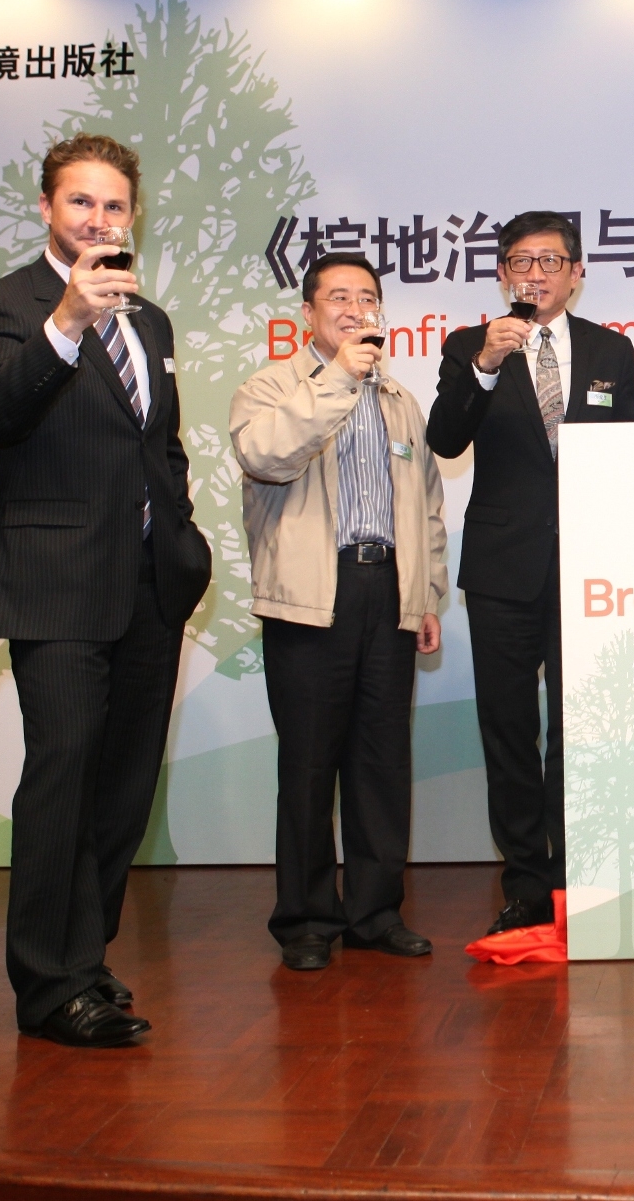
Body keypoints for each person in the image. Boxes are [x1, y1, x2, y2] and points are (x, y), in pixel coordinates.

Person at [0, 134, 211, 1047]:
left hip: (149, 584)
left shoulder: (152, 321)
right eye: (81, 202)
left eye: (114, 205)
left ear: (133, 215)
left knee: (122, 788)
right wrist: (65, 320)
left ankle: (85, 960)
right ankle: (46, 984)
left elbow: (161, 446)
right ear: (46, 208)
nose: (99, 219)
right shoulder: (1, 306)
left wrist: (183, 540)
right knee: (62, 776)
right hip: (57, 584)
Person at [425, 211, 634, 937]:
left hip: (588, 568)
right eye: (521, 261)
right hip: (502, 569)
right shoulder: (470, 344)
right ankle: (523, 884)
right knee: (510, 730)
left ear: (576, 274)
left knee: (579, 730)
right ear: (501, 275)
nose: (536, 273)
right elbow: (444, 438)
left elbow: (626, 451)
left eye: (551, 261)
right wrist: (486, 367)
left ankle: (574, 880)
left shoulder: (611, 349)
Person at [230, 252, 448, 972]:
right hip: (309, 599)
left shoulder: (400, 399)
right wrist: (339, 379)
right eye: (339, 298)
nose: (356, 310)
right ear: (308, 313)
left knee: (381, 761)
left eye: (367, 298)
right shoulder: (271, 387)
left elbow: (427, 504)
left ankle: (375, 913)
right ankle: (305, 919)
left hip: (387, 590)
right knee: (308, 763)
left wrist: (426, 593)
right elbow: (266, 457)